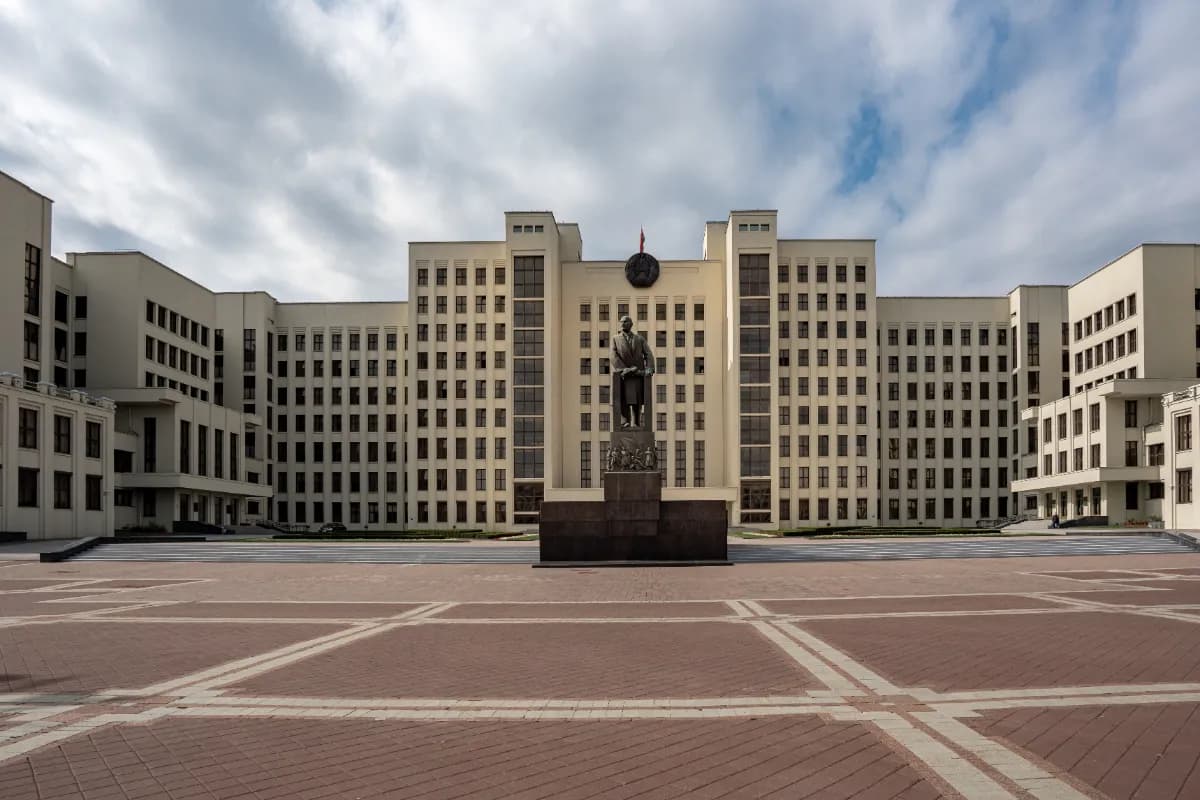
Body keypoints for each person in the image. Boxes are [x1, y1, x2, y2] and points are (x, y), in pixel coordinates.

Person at [610, 315, 655, 428]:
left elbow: (648, 354)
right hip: (624, 375)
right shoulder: (615, 338)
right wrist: (623, 369)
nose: (622, 324)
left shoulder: (639, 339)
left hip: (637, 374)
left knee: (637, 399)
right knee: (624, 398)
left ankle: (636, 422)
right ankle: (624, 421)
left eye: (625, 322)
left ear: (631, 324)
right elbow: (613, 355)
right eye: (621, 322)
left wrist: (649, 368)